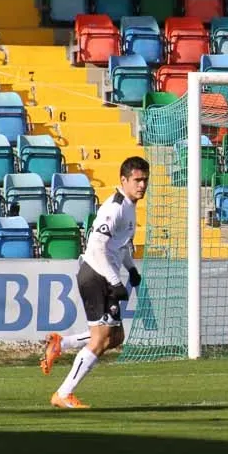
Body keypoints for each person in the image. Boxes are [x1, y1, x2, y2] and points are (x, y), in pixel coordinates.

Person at [42, 156, 150, 409]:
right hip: (95, 275)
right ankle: (63, 393)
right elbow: (98, 247)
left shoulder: (129, 206)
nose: (142, 185)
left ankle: (62, 343)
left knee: (115, 337)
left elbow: (119, 246)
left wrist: (131, 269)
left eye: (145, 180)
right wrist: (115, 281)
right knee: (100, 339)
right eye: (137, 180)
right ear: (123, 180)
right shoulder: (114, 208)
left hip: (104, 275)